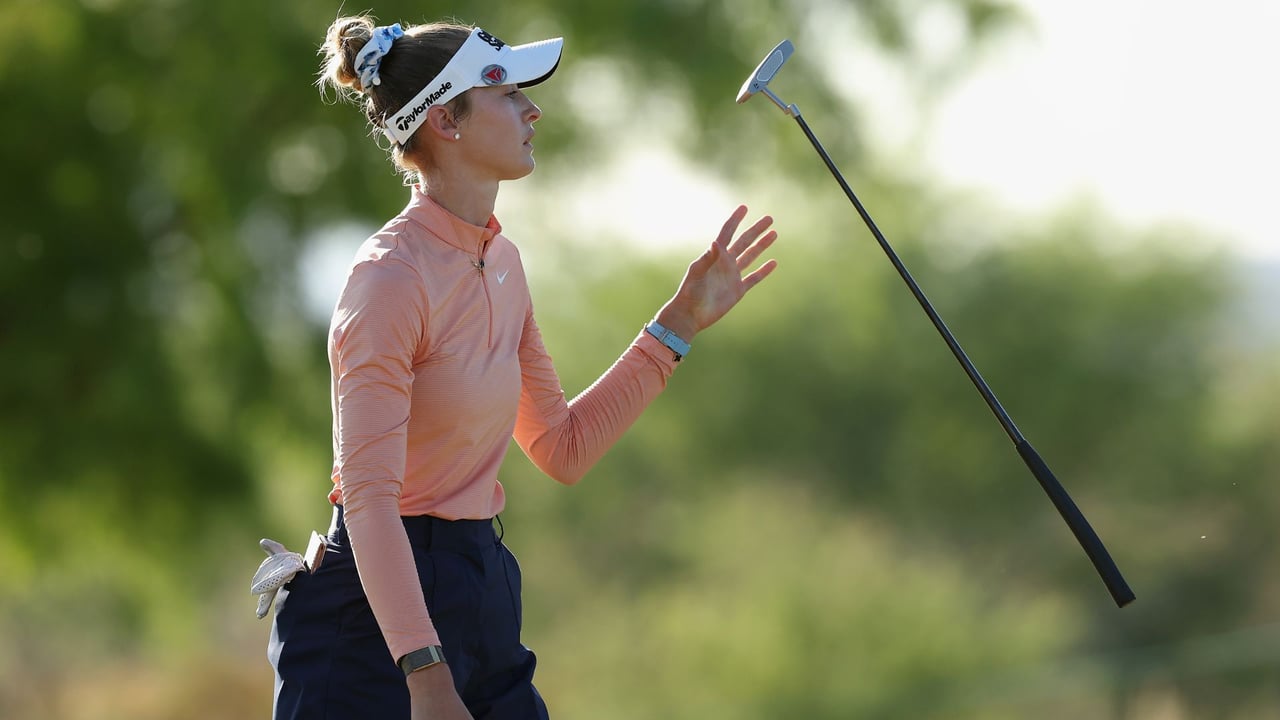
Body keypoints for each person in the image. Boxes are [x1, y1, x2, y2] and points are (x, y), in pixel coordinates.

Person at [266, 13, 778, 720]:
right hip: (374, 626)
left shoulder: (502, 261)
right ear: (445, 120)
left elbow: (561, 447)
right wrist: (426, 677)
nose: (532, 110)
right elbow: (370, 500)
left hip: (480, 585)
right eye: (507, 94)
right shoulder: (389, 279)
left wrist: (678, 324)